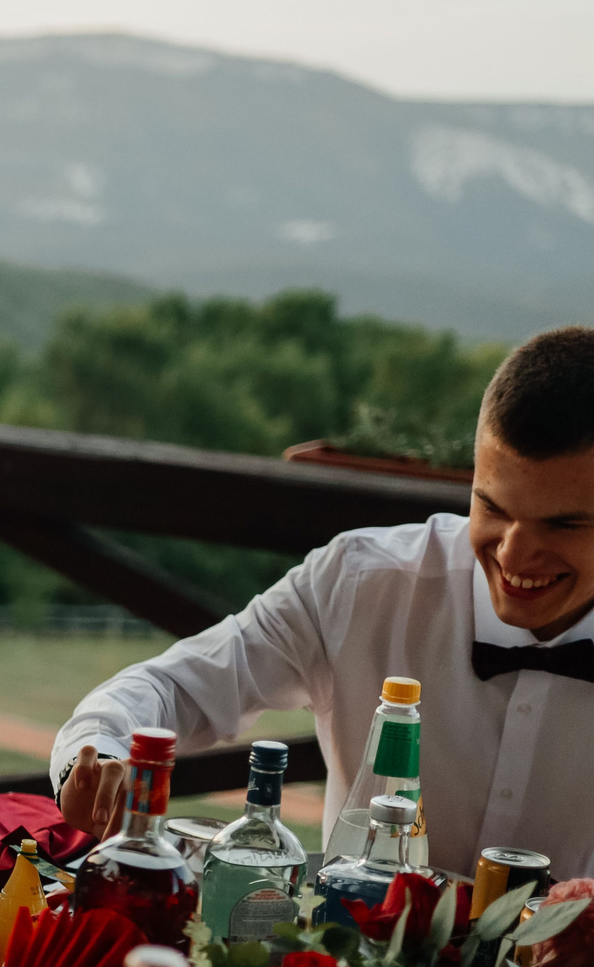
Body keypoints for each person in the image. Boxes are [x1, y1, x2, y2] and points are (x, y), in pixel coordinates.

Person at [52, 324, 594, 879]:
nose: (515, 553)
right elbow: (173, 686)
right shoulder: (359, 581)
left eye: (564, 524)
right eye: (493, 508)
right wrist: (95, 752)